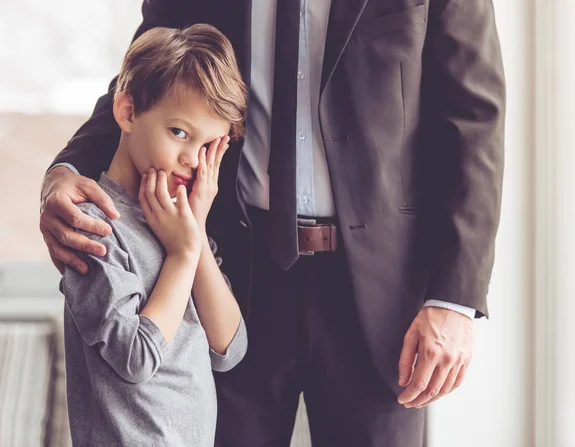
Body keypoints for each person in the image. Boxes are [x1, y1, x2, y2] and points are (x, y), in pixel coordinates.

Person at [40, 1, 506, 446]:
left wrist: (453, 299)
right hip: (233, 273)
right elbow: (142, 82)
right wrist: (66, 171)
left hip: (382, 297)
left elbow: (473, 118)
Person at [58, 24, 248, 446]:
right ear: (126, 112)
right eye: (179, 132)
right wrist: (182, 255)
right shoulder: (93, 225)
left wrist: (194, 237)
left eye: (208, 147)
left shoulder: (180, 226)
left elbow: (229, 348)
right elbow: (136, 357)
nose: (191, 160)